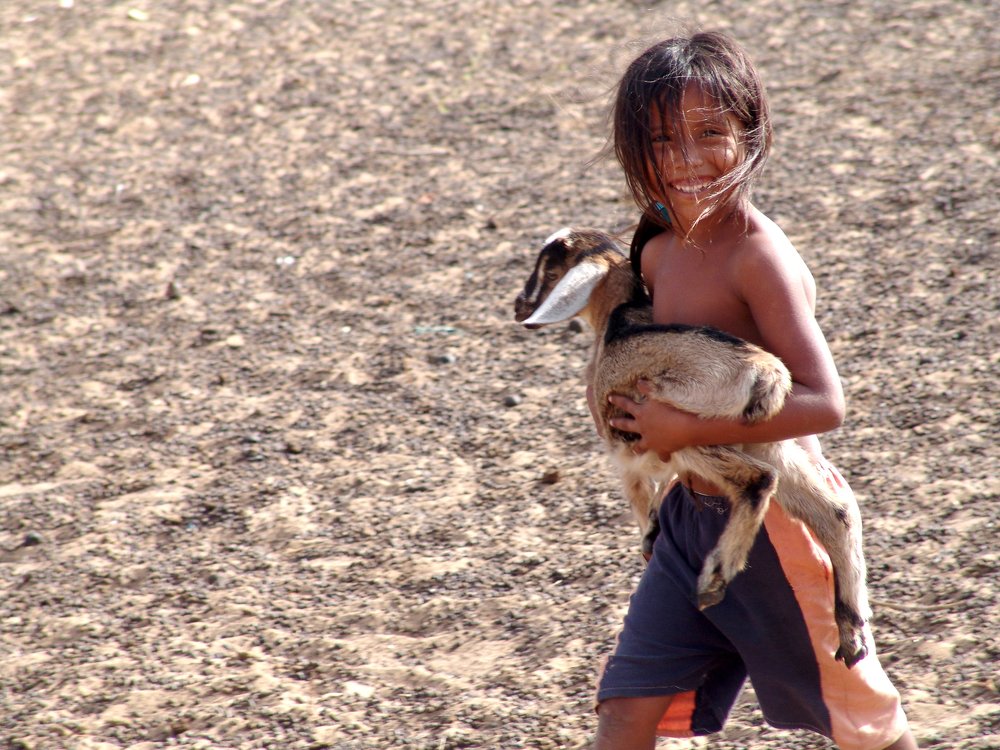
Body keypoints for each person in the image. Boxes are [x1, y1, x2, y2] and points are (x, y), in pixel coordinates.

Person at [589, 31, 917, 750]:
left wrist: (683, 433)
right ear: (632, 152)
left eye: (711, 134)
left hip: (780, 525)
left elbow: (825, 402)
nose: (689, 159)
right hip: (690, 522)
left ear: (751, 133)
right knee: (626, 710)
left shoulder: (757, 256)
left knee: (865, 728)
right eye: (662, 141)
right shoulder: (656, 246)